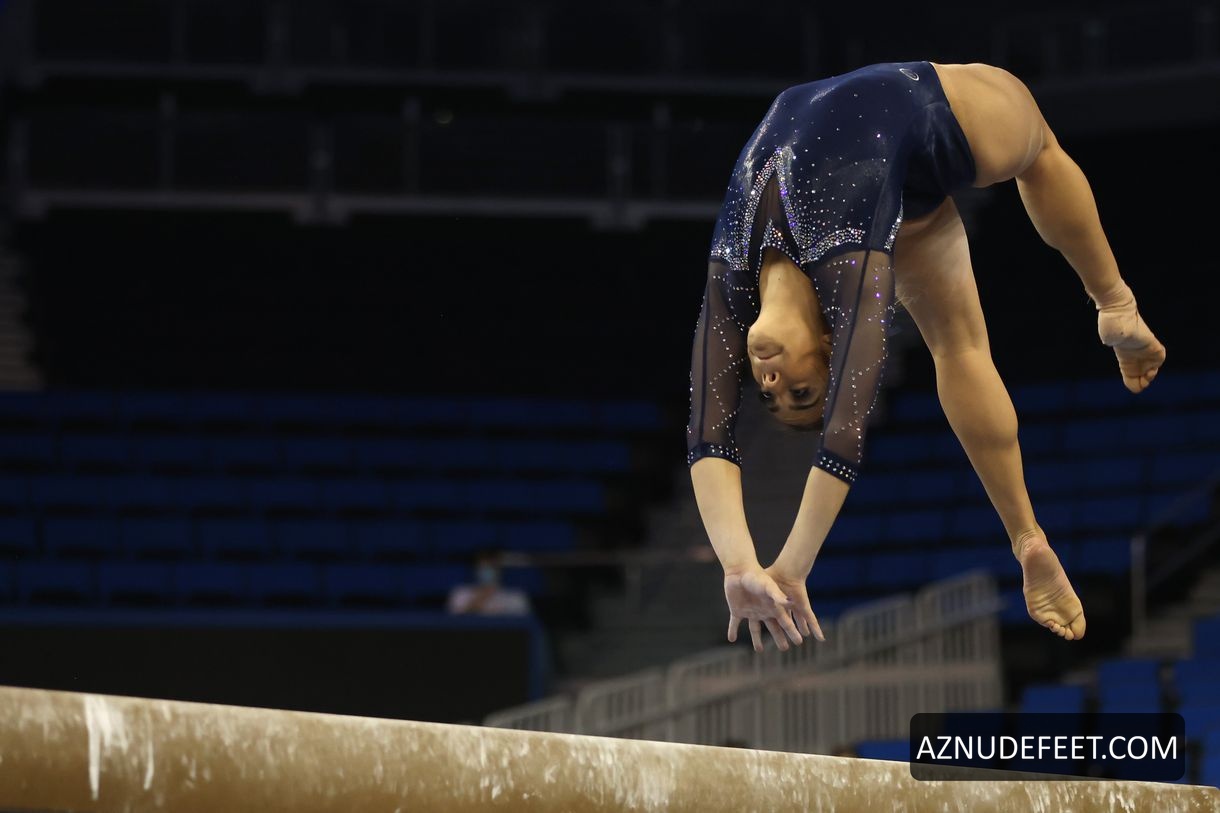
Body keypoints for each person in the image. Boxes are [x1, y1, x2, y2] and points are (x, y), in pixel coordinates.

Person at [687, 61, 1165, 653]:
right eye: (799, 392)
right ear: (830, 349)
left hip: (893, 160)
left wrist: (741, 565)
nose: (772, 382)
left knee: (960, 340)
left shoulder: (732, 274)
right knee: (1031, 162)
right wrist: (780, 569)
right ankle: (1029, 535)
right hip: (925, 114)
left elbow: (707, 434)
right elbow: (844, 435)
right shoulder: (853, 273)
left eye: (770, 394)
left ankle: (1114, 303)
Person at [446, 548, 532, 617]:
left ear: (500, 569)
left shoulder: (516, 597)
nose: (489, 570)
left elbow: (523, 627)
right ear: (475, 569)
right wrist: (479, 599)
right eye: (484, 566)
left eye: (492, 566)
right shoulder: (460, 594)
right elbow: (451, 624)